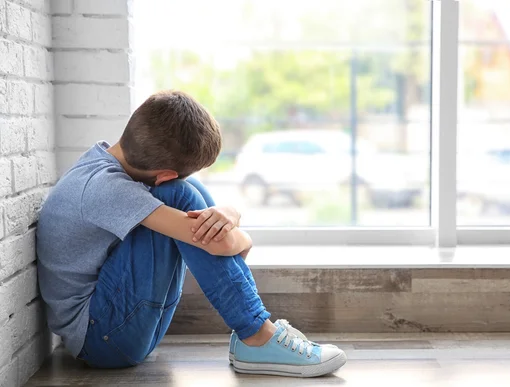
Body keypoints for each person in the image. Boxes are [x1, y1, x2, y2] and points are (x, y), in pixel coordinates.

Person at [36, 91, 347, 377]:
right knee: (178, 195)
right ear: (166, 172)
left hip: (116, 328)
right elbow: (227, 246)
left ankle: (253, 334)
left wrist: (227, 219)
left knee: (186, 194)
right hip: (103, 341)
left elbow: (223, 245)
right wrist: (236, 222)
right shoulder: (106, 189)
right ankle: (256, 336)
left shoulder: (103, 160)